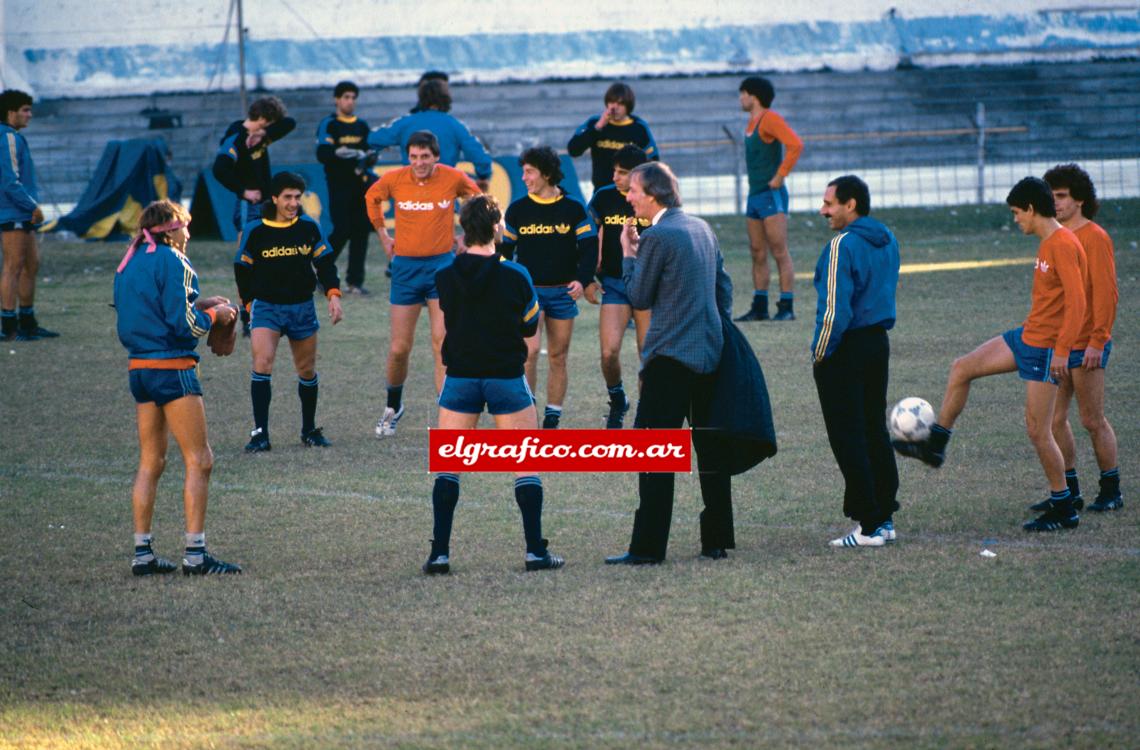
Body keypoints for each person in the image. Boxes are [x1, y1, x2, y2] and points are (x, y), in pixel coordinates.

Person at [895, 177, 1088, 532]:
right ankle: (935, 446)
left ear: (1031, 208)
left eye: (1017, 213)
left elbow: (1079, 305)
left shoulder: (1062, 244)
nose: (1015, 220)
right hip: (1027, 336)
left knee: (1037, 430)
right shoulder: (1047, 242)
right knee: (962, 368)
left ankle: (1064, 507)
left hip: (1045, 349)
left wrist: (1062, 352)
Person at [424, 194, 564, 574]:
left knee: (448, 468)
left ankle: (440, 553)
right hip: (505, 375)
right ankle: (535, 551)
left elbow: (446, 326)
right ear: (498, 228)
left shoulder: (444, 276)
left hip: (460, 376)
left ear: (462, 230)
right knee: (526, 464)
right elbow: (530, 326)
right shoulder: (516, 275)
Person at [604, 162, 735, 565]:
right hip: (709, 354)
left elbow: (639, 296)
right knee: (710, 450)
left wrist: (628, 253)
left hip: (670, 360)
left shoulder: (658, 234)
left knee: (653, 451)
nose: (628, 196)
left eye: (634, 191)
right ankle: (715, 540)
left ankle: (647, 548)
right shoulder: (700, 227)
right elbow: (723, 289)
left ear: (655, 194)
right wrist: (711, 329)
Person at [113, 199, 241, 575]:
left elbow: (153, 309)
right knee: (200, 460)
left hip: (140, 370)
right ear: (171, 227)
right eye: (185, 225)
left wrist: (201, 303)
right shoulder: (175, 260)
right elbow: (184, 326)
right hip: (173, 369)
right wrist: (216, 314)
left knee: (151, 462)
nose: (188, 233)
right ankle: (196, 556)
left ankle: (143, 555)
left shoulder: (129, 260)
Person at [365, 130, 481, 437]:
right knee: (399, 348)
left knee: (443, 341)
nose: (419, 163)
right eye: (414, 157)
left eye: (425, 157)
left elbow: (479, 201)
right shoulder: (394, 179)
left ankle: (448, 414)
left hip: (442, 268)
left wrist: (465, 236)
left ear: (436, 157)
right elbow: (371, 198)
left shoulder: (452, 178)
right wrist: (383, 235)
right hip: (405, 269)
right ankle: (393, 406)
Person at [811, 176, 901, 548]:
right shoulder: (888, 238)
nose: (822, 210)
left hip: (845, 348)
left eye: (829, 203)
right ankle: (884, 516)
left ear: (851, 205)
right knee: (873, 430)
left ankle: (868, 525)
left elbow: (834, 310)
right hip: (877, 344)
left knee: (848, 436)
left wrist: (820, 352)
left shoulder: (841, 245)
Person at [234, 172, 344, 452]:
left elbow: (325, 262)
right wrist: (248, 305)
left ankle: (309, 430)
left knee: (306, 370)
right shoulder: (256, 229)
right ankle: (260, 434)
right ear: (274, 198)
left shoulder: (309, 226)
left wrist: (333, 295)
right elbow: (242, 269)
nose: (294, 202)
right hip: (267, 307)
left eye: (297, 197)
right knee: (263, 363)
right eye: (288, 197)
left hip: (302, 307)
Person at [1042, 164, 1123, 513]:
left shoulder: (1095, 237)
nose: (1055, 203)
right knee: (1053, 420)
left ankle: (1111, 489)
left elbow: (1107, 294)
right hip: (1059, 345)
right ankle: (1069, 488)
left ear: (1079, 199)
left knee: (1092, 419)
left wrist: (1098, 340)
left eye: (1060, 196)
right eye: (1051, 197)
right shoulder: (1053, 236)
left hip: (1087, 344)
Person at [500, 146, 597, 429]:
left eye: (529, 171)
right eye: (523, 171)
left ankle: (552, 415)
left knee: (558, 355)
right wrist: (508, 280)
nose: (524, 177)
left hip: (563, 293)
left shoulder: (572, 208)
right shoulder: (518, 210)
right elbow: (505, 251)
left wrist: (582, 278)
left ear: (546, 173)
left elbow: (589, 247)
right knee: (529, 352)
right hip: (529, 293)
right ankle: (527, 411)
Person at [585, 144, 651, 428]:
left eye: (622, 173)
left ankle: (645, 416)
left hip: (648, 286)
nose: (615, 177)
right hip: (614, 283)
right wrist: (587, 277)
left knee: (648, 356)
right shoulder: (603, 197)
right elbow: (586, 239)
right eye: (614, 171)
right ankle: (618, 399)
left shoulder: (654, 198)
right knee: (609, 353)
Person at [733, 76, 803, 323]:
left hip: (770, 195)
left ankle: (786, 305)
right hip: (754, 196)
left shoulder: (770, 119)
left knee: (779, 250)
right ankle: (759, 305)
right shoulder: (750, 123)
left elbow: (795, 145)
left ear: (754, 96)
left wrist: (780, 175)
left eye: (743, 94)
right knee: (757, 251)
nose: (740, 99)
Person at [1, 89, 58, 341]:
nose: (29, 115)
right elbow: (9, 181)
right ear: (10, 112)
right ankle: (8, 324)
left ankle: (27, 321)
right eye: (25, 110)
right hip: (14, 211)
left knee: (31, 265)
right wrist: (32, 206)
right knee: (13, 266)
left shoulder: (15, 137)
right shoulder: (7, 137)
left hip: (22, 212)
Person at [367, 78, 492, 191]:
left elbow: (373, 139)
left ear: (421, 99)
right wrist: (483, 176)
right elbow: (480, 158)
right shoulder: (455, 126)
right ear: (446, 100)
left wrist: (385, 146)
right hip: (444, 194)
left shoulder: (405, 123)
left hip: (411, 195)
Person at [315, 81, 375, 295]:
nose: (350, 101)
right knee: (341, 230)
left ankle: (355, 283)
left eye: (353, 97)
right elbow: (323, 153)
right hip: (339, 185)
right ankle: (321, 273)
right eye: (346, 97)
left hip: (361, 186)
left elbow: (370, 154)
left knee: (361, 232)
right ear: (337, 99)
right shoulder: (330, 124)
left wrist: (364, 162)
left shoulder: (362, 126)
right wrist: (341, 154)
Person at [567, 82, 659, 193]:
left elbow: (653, 161)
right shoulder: (594, 123)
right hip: (601, 191)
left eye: (620, 103)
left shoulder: (639, 127)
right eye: (611, 102)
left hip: (630, 192)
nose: (614, 107)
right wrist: (598, 127)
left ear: (628, 106)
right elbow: (573, 150)